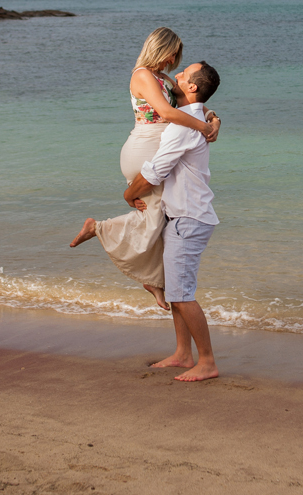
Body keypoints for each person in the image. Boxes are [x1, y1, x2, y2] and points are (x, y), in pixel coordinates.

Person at [69, 28, 220, 311]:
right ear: (163, 49)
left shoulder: (162, 78)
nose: (174, 62)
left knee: (160, 218)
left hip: (158, 146)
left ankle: (154, 279)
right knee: (156, 215)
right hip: (144, 147)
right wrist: (203, 127)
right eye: (174, 55)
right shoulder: (142, 75)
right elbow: (165, 112)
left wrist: (215, 120)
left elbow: (196, 105)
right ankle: (100, 230)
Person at [122, 61, 221, 382]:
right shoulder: (194, 120)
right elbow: (202, 114)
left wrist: (128, 194)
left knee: (181, 294)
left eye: (182, 74)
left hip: (189, 218)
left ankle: (206, 361)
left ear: (192, 87)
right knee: (176, 287)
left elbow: (155, 171)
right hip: (183, 215)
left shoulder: (183, 126)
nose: (175, 76)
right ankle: (182, 353)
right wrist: (214, 118)